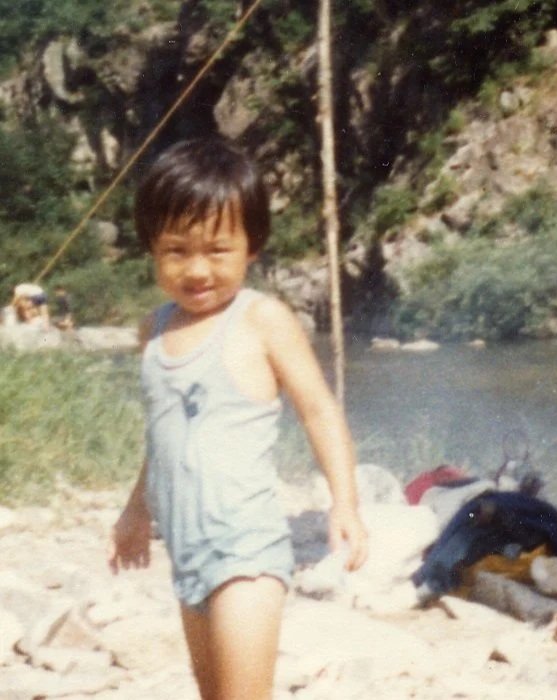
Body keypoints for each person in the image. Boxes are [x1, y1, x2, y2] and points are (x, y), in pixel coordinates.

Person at [107, 138, 368, 700]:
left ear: (252, 247)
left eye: (218, 251)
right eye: (176, 251)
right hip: (187, 555)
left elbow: (318, 410)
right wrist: (134, 511)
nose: (197, 269)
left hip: (246, 552)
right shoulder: (153, 331)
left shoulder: (261, 320)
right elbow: (165, 438)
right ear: (151, 246)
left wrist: (344, 501)